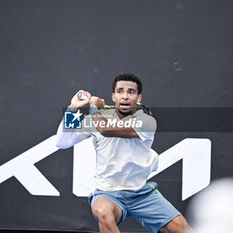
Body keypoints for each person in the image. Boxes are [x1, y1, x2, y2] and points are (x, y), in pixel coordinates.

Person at [56, 73, 191, 233]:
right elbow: (63, 142)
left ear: (139, 98)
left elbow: (106, 130)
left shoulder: (147, 121)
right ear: (113, 96)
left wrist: (94, 109)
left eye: (131, 92)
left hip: (142, 194)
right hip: (107, 194)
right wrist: (73, 107)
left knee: (184, 229)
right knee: (103, 213)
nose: (125, 96)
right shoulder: (97, 118)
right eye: (120, 91)